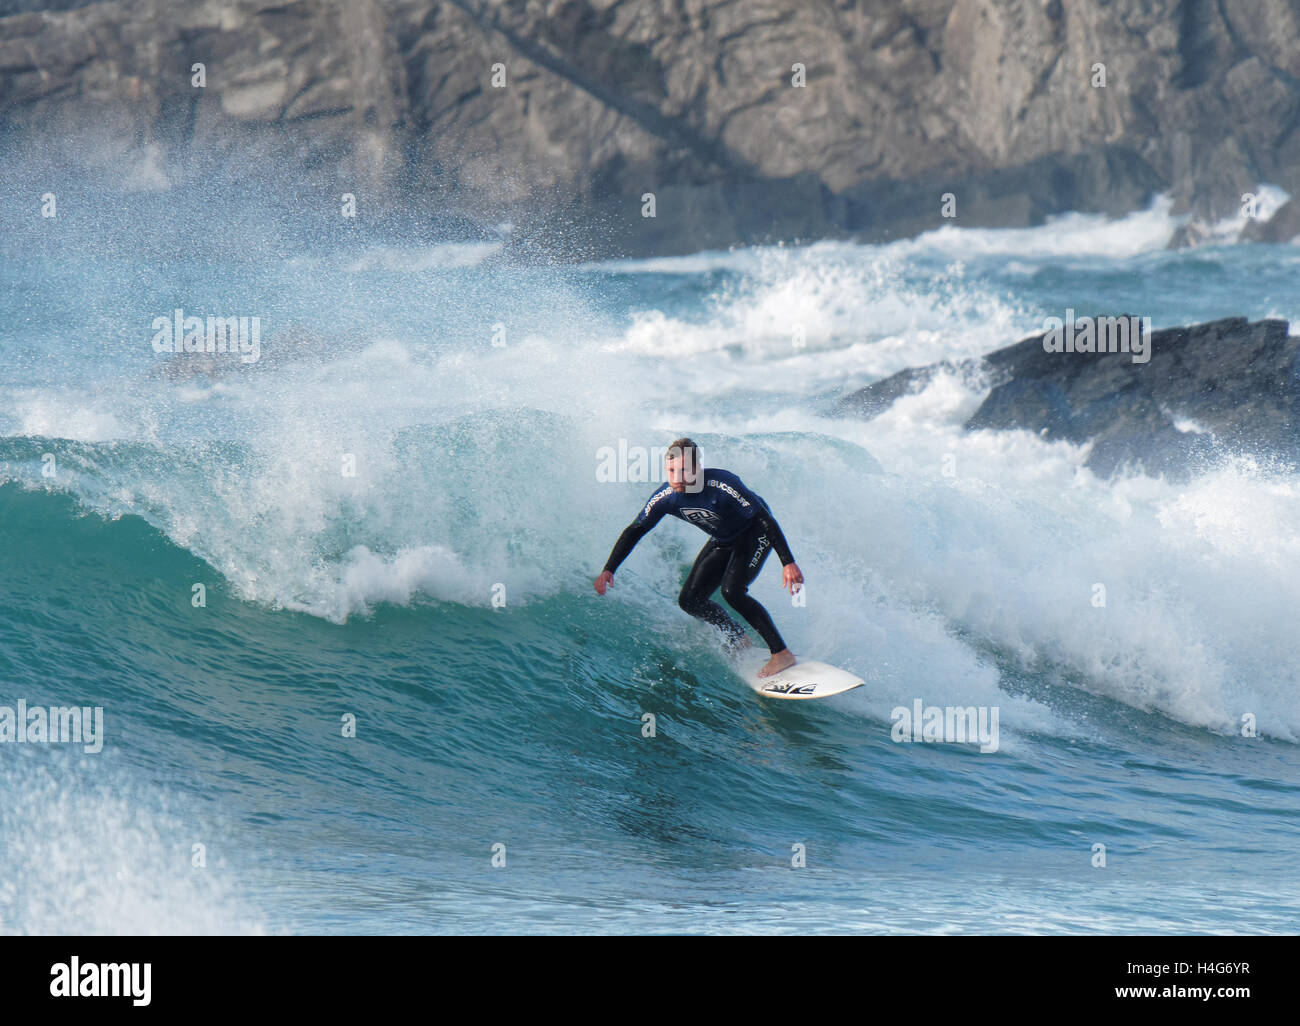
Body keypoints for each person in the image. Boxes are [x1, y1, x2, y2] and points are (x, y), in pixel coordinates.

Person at [594, 437, 803, 677]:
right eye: (672, 470)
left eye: (684, 470)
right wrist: (609, 569)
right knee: (690, 600)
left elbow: (763, 519)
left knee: (732, 591)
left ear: (697, 468)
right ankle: (737, 637)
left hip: (755, 532)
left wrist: (787, 562)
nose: (677, 477)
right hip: (724, 538)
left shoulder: (723, 485)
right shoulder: (666, 497)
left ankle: (781, 654)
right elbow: (636, 530)